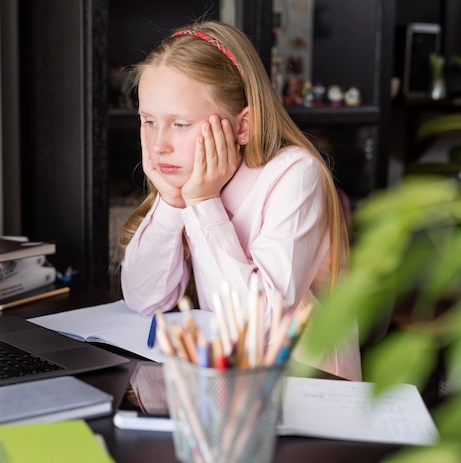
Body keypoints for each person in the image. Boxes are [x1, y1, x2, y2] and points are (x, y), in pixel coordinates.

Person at [112, 20, 361, 381]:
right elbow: (145, 298)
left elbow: (256, 323)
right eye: (149, 121)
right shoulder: (186, 176)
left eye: (180, 124)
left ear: (242, 127)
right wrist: (171, 201)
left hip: (306, 384)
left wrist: (203, 201)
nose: (158, 144)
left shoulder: (294, 174)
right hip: (228, 378)